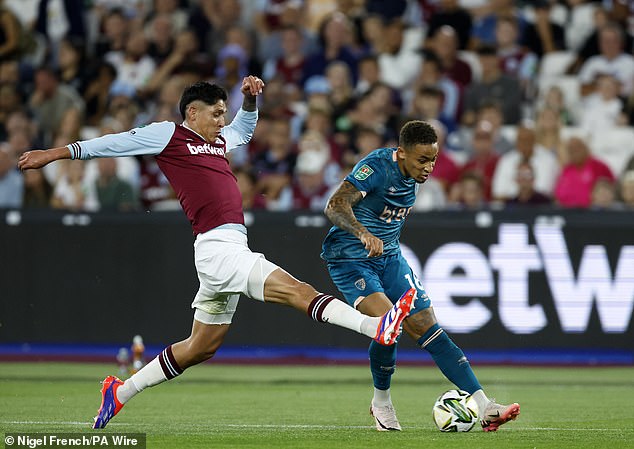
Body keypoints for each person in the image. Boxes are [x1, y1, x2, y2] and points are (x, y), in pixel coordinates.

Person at [18, 76, 416, 429]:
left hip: (225, 248)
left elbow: (244, 127)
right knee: (298, 290)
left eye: (223, 113)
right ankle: (373, 327)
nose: (222, 121)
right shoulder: (169, 135)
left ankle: (120, 392)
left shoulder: (220, 138)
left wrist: (251, 102)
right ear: (192, 112)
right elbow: (113, 144)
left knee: (200, 347)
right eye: (216, 113)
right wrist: (55, 153)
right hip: (217, 248)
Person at [321, 120, 520, 432]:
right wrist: (362, 233)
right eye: (422, 160)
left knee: (427, 324)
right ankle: (381, 403)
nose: (429, 168)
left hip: (389, 258)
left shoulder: (412, 177)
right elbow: (335, 205)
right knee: (389, 324)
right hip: (351, 258)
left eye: (434, 160)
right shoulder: (376, 167)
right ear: (401, 153)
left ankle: (485, 406)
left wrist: (383, 243)